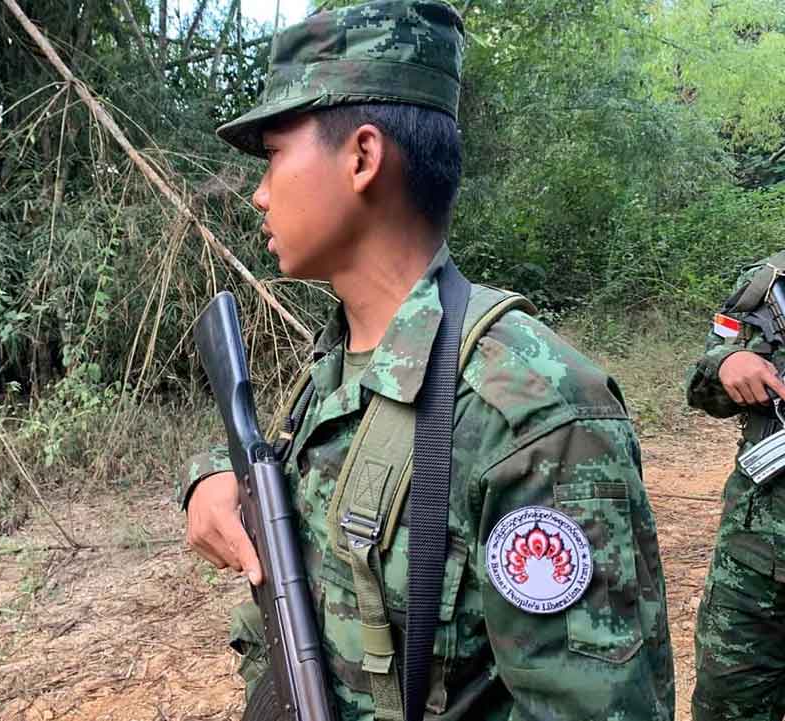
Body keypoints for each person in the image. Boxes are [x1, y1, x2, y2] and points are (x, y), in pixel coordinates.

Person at [182, 1, 674, 718]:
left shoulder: (534, 415)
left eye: (275, 154)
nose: (258, 193)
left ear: (362, 157)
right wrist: (210, 477)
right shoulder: (340, 361)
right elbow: (308, 476)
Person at [688, 251, 785, 721]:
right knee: (729, 706)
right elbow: (701, 382)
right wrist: (728, 361)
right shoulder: (766, 286)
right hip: (754, 565)